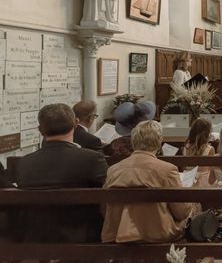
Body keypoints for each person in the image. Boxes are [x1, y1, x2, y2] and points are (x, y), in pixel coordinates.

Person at [16, 103, 108, 242]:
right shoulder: (92, 159)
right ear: (76, 123)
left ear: (40, 130)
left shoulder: (24, 163)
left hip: (37, 238)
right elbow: (108, 194)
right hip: (86, 236)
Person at [102, 120, 199, 243]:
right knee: (193, 208)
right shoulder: (167, 170)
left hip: (118, 233)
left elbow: (105, 209)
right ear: (159, 141)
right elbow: (181, 212)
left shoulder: (113, 170)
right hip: (158, 234)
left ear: (134, 141)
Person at [182, 118, 216, 187]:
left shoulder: (186, 147)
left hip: (188, 181)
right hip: (204, 183)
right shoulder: (210, 149)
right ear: (207, 133)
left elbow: (184, 168)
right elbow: (212, 170)